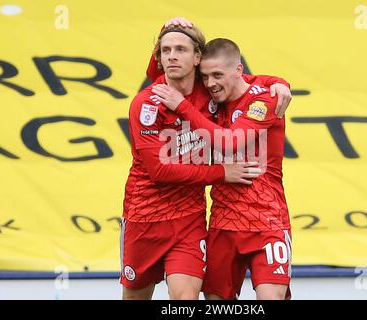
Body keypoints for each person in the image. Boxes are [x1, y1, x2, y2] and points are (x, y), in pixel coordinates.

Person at [121, 21, 291, 300]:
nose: (172, 56)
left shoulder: (212, 91)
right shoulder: (147, 104)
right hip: (145, 216)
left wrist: (280, 83)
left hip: (193, 217)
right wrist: (222, 173)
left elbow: (243, 81)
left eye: (180, 49)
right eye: (166, 50)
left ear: (196, 57)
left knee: (185, 301)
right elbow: (160, 171)